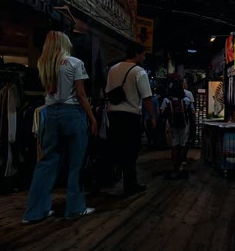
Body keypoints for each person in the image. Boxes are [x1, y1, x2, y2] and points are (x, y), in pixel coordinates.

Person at [22, 30, 97, 224]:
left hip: (50, 113)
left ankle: (34, 213)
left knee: (46, 164)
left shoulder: (43, 63)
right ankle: (75, 209)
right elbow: (80, 95)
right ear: (65, 43)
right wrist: (92, 118)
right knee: (75, 164)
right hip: (71, 114)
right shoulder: (74, 62)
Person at [105, 42, 156, 195]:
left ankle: (112, 179)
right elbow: (147, 97)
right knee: (131, 151)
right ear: (136, 54)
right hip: (130, 116)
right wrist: (152, 117)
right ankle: (130, 185)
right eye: (143, 54)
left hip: (113, 114)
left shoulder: (112, 69)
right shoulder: (139, 72)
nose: (144, 57)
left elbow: (107, 90)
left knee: (116, 149)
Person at [161, 78, 194, 179]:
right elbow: (192, 112)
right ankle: (181, 163)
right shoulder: (186, 100)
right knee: (183, 145)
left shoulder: (166, 100)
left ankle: (175, 167)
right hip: (184, 125)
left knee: (174, 146)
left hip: (171, 125)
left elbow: (162, 112)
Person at [182, 79, 195, 163]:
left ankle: (176, 159)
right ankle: (183, 158)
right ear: (184, 84)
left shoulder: (170, 95)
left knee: (175, 141)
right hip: (186, 120)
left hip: (173, 121)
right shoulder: (188, 93)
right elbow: (192, 109)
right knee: (185, 139)